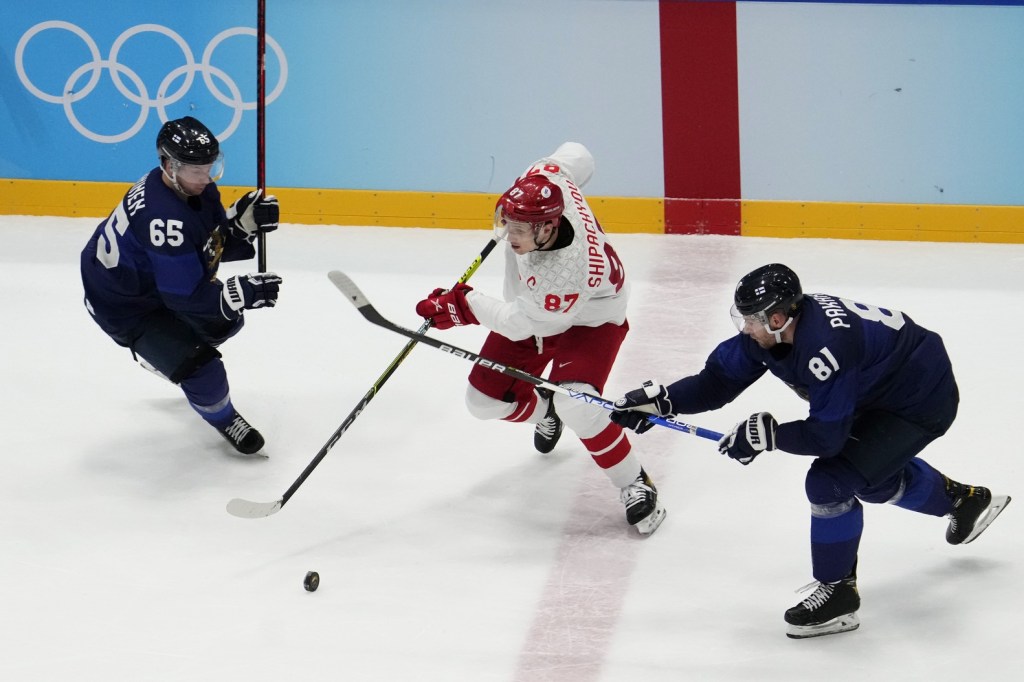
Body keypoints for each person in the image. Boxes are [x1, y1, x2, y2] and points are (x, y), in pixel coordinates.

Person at [611, 263, 1011, 637]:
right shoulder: (776, 331)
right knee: (870, 479)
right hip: (878, 387)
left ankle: (838, 593)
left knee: (830, 481)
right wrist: (664, 401)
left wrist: (770, 436)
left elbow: (827, 438)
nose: (746, 328)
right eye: (744, 318)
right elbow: (717, 382)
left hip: (919, 398)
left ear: (779, 317)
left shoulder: (825, 346)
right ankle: (965, 502)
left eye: (752, 319)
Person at [414, 142, 666, 534]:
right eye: (507, 223)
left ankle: (634, 481)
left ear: (548, 227)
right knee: (482, 402)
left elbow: (520, 325)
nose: (508, 234)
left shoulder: (564, 273)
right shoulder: (546, 180)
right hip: (536, 310)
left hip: (592, 321)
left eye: (518, 229)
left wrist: (462, 306)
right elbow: (579, 154)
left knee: (576, 404)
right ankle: (543, 412)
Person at [81, 116, 282, 455]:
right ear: (168, 165)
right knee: (204, 370)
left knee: (226, 320)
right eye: (196, 170)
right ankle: (223, 416)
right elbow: (185, 295)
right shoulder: (164, 219)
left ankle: (170, 354)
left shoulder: (187, 187)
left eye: (211, 167)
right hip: (125, 307)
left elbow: (206, 246)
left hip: (147, 284)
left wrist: (241, 225)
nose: (207, 177)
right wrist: (239, 292)